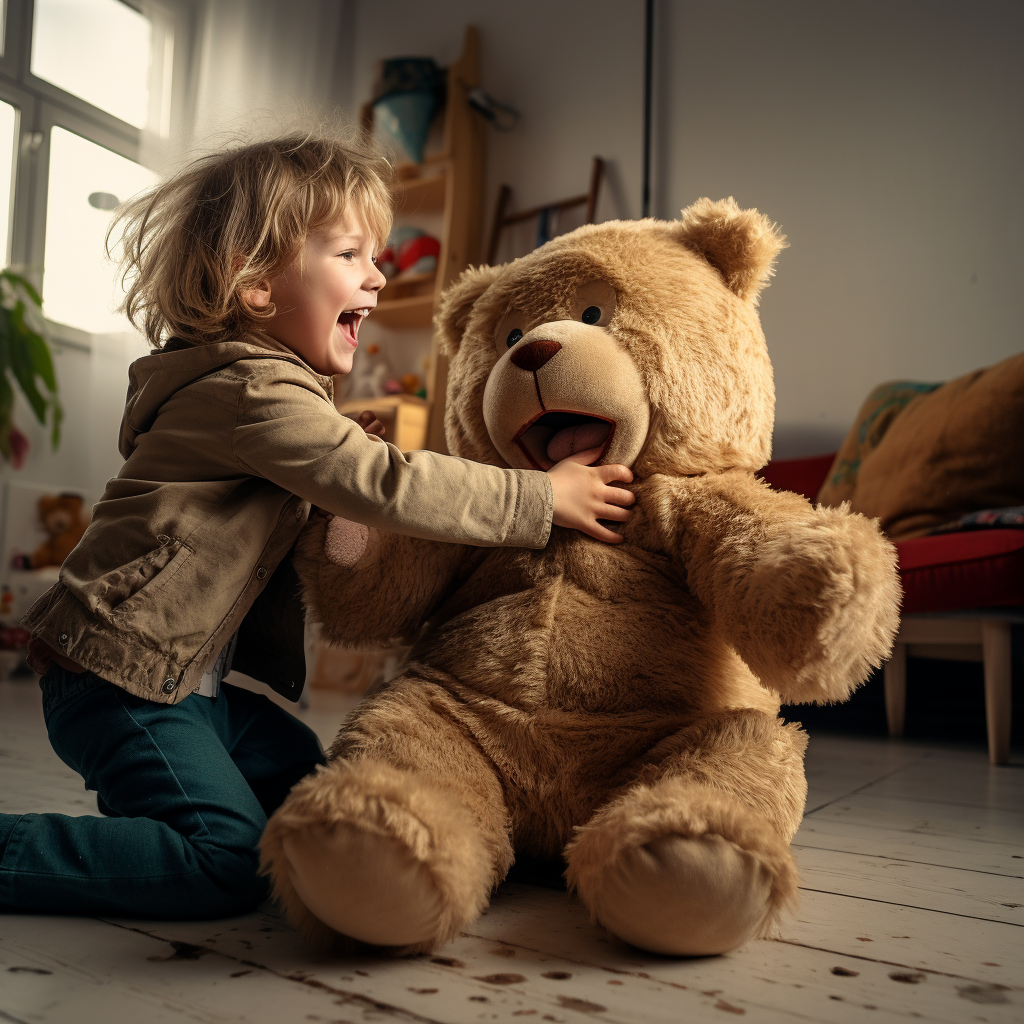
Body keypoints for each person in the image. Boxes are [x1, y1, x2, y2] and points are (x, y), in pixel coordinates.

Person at [0, 131, 635, 919]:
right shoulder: (249, 390)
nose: (377, 275)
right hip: (122, 680)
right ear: (258, 287)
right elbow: (384, 484)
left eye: (379, 255)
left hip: (180, 685)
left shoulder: (267, 394)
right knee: (224, 862)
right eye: (349, 255)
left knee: (304, 773)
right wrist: (543, 499)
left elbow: (331, 494)